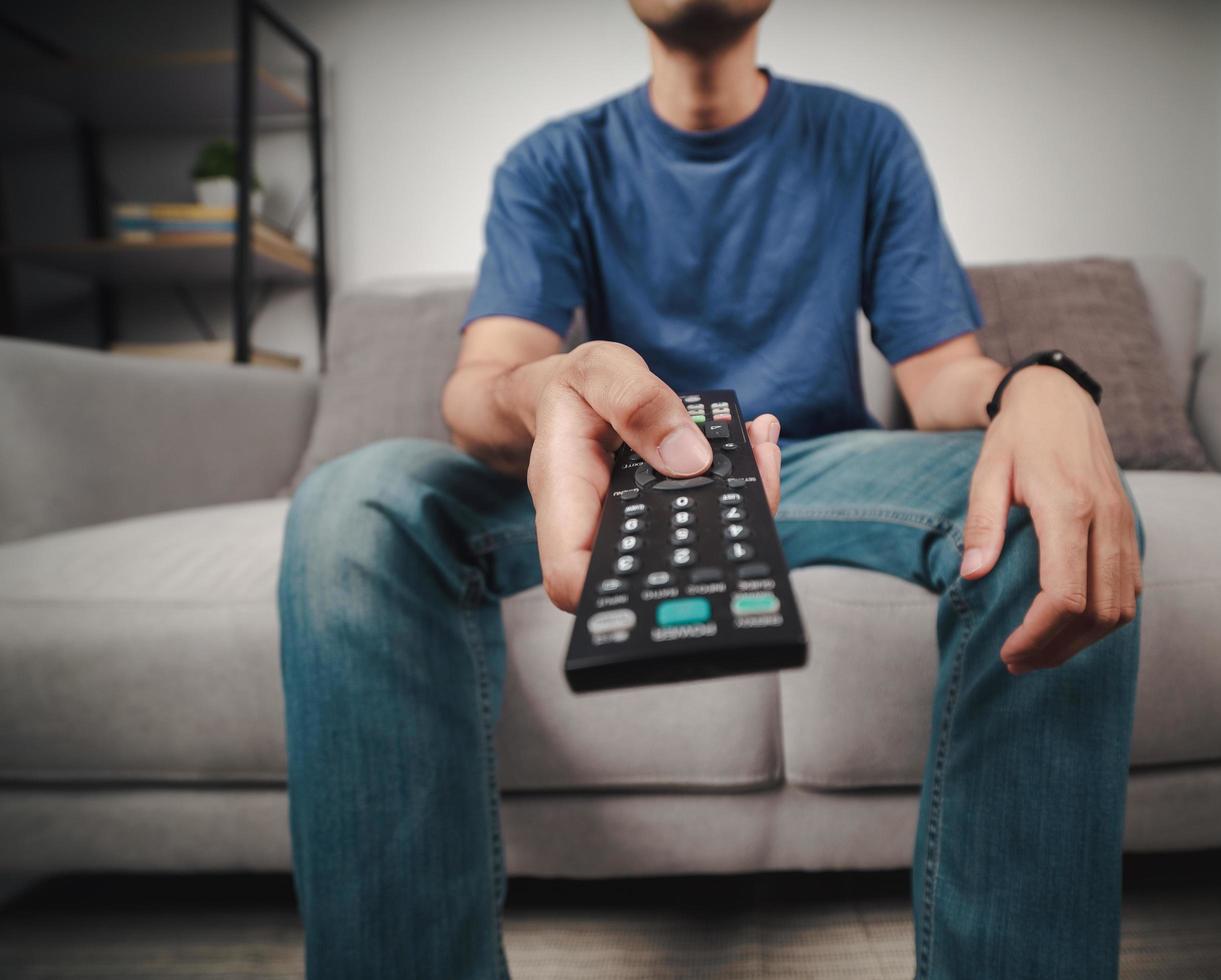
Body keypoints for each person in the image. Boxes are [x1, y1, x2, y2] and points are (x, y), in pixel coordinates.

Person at [279, 1, 1144, 976]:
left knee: (1045, 489)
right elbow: (480, 387)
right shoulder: (554, 160)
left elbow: (941, 373)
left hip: (820, 460)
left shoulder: (865, 137)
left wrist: (1041, 381)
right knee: (355, 499)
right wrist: (553, 384)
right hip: (624, 470)